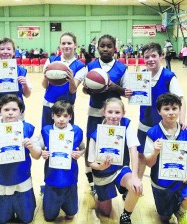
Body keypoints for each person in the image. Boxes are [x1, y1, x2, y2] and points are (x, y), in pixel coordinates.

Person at [124, 42, 187, 185]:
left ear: (161, 56)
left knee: (163, 157)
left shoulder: (168, 76)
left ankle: (167, 189)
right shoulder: (141, 77)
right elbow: (134, 96)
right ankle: (137, 184)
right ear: (143, 58)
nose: (150, 59)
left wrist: (182, 120)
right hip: (144, 124)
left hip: (162, 127)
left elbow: (181, 100)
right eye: (147, 57)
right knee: (141, 156)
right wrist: (128, 94)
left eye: (154, 56)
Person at [0, 94, 42, 224]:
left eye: (14, 109)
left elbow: (37, 155)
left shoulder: (28, 129)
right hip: (0, 180)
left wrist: (31, 148)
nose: (10, 113)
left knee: (27, 219)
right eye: (6, 110)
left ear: (21, 111)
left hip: (22, 180)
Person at [83, 34, 129, 195]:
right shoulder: (90, 66)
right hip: (95, 112)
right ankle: (91, 178)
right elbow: (84, 89)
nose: (106, 49)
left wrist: (111, 85)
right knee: (91, 144)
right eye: (102, 46)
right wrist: (90, 88)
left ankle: (120, 179)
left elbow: (127, 92)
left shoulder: (122, 68)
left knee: (117, 143)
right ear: (98, 48)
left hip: (114, 115)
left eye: (109, 46)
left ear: (114, 48)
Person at [144, 93, 187, 224]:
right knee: (165, 218)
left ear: (179, 110)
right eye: (166, 109)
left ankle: (181, 211)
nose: (171, 113)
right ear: (159, 111)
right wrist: (155, 152)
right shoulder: (153, 133)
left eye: (174, 108)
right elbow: (149, 163)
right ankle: (170, 207)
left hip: (182, 180)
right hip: (161, 183)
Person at [87, 97, 142, 224]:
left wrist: (135, 176)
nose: (113, 116)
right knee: (105, 212)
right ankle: (96, 193)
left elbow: (133, 149)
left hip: (120, 169)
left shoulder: (126, 124)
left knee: (136, 187)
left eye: (117, 112)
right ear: (103, 112)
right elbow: (91, 162)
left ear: (123, 113)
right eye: (110, 112)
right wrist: (101, 167)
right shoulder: (96, 134)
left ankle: (126, 216)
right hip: (102, 173)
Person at [39, 100, 85, 221]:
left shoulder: (77, 131)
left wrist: (79, 153)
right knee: (49, 217)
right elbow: (39, 148)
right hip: (52, 173)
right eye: (58, 115)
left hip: (70, 173)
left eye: (65, 116)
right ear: (52, 116)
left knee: (71, 215)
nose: (61, 119)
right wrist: (42, 153)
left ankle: (67, 204)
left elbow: (83, 148)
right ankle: (47, 195)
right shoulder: (46, 130)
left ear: (70, 116)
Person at [41, 32, 86, 127]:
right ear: (60, 45)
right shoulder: (51, 61)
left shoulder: (80, 66)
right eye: (63, 43)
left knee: (66, 138)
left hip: (67, 107)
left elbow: (73, 90)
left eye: (69, 43)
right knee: (47, 133)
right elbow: (44, 86)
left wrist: (71, 79)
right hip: (49, 103)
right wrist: (46, 77)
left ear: (75, 45)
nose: (66, 46)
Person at [0, 37, 31, 123]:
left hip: (17, 112)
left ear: (14, 52)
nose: (5, 51)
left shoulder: (21, 71)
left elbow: (27, 95)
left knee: (18, 135)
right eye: (2, 49)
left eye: (9, 49)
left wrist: (25, 85)